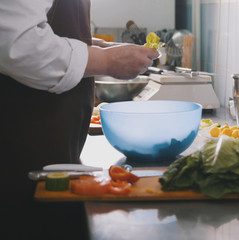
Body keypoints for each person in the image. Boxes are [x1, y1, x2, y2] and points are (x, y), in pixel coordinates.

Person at [0, 0, 159, 239]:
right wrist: (107, 61)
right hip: (18, 148)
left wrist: (98, 47)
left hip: (46, 143)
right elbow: (17, 42)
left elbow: (42, 28)